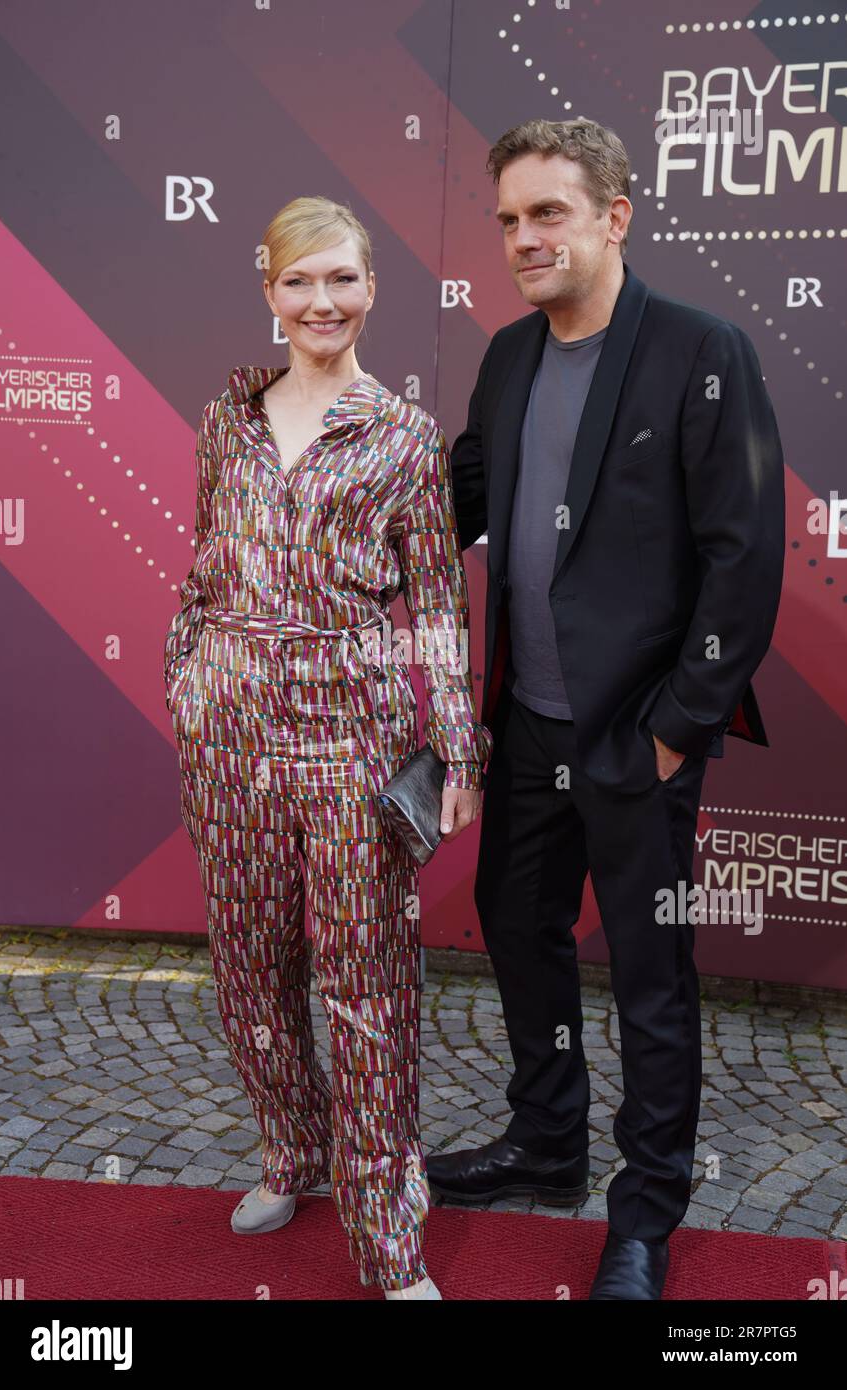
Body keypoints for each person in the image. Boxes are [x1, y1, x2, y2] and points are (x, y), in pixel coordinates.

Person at [426, 118, 785, 1300]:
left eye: (547, 214)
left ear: (614, 217)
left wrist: (679, 727)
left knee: (647, 971)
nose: (522, 240)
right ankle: (544, 1140)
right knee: (518, 932)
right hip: (523, 721)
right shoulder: (507, 355)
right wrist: (334, 456)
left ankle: (643, 1209)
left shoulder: (701, 349)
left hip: (638, 730)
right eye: (509, 220)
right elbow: (463, 495)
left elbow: (742, 558)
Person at [163, 195, 491, 1300]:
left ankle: (389, 1235)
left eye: (341, 279)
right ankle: (290, 1152)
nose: (321, 301)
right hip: (227, 735)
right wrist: (187, 680)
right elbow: (201, 563)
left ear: (370, 289)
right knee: (251, 970)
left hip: (350, 735)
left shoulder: (402, 440)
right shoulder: (226, 423)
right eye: (299, 281)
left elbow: (437, 607)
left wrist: (457, 747)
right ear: (268, 290)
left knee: (367, 985)